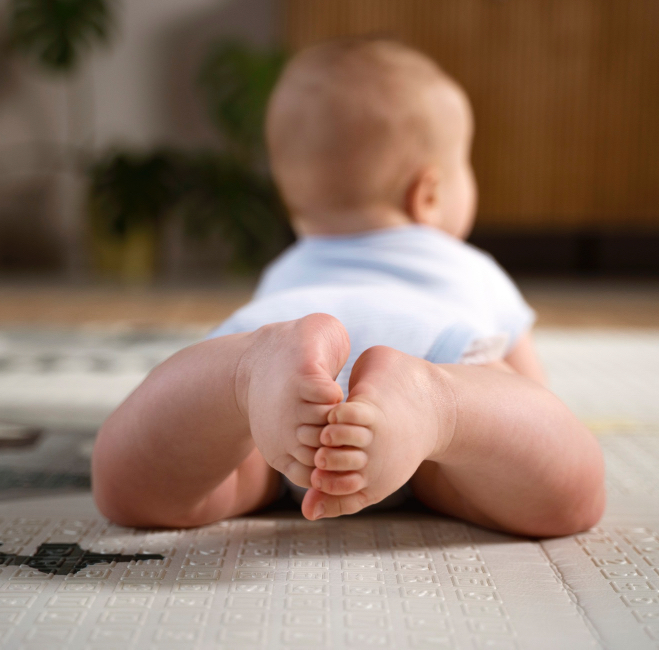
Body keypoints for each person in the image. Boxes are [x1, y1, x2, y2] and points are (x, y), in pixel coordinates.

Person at [92, 38, 605, 537]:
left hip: (284, 393)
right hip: (436, 351)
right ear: (427, 194)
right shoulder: (469, 266)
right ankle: (435, 405)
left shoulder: (284, 272)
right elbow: (532, 395)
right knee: (566, 493)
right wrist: (463, 411)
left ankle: (244, 374)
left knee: (151, 494)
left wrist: (251, 382)